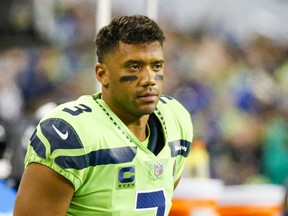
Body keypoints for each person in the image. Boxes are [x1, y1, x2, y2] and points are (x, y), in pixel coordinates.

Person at [14, 15, 193, 216]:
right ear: (102, 74)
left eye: (156, 66)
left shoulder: (176, 120)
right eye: (134, 66)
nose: (149, 79)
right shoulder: (70, 134)